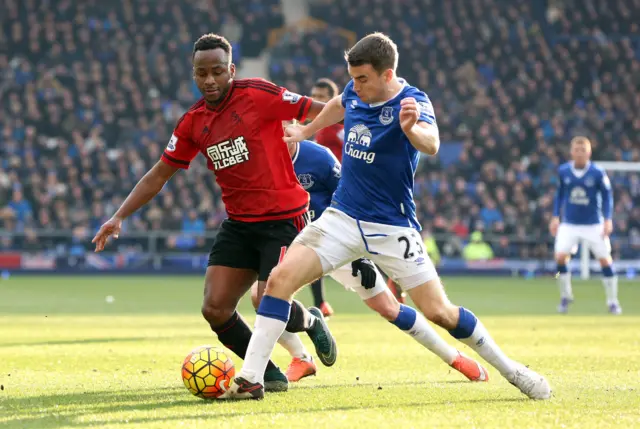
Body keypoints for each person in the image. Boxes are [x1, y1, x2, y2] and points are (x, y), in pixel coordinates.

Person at [226, 33, 551, 400]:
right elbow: (338, 103)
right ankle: (250, 378)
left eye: (363, 78)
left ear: (387, 74)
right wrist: (306, 130)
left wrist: (411, 129)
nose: (356, 85)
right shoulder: (354, 92)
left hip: (391, 227)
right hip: (342, 218)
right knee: (278, 281)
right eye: (353, 77)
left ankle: (513, 370)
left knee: (439, 312)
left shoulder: (412, 102)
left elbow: (432, 143)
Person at [91, 33, 337, 393]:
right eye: (201, 73)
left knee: (268, 298)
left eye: (217, 71)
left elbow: (318, 108)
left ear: (231, 70)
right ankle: (271, 369)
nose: (209, 80)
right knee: (215, 309)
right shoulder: (193, 122)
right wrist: (119, 216)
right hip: (240, 224)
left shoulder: (258, 94)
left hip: (284, 219)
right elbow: (160, 173)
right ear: (194, 75)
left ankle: (266, 364)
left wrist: (350, 117)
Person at [253, 131, 489, 384]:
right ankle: (302, 354)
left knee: (388, 308)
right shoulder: (263, 162)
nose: (280, 135)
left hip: (336, 241)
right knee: (262, 297)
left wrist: (361, 256)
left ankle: (454, 358)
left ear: (296, 126)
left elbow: (354, 202)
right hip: (297, 245)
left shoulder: (319, 157)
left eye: (285, 127)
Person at [549, 136, 620, 314]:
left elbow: (607, 196)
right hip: (570, 223)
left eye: (583, 150)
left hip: (593, 224)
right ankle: (566, 296)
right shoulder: (564, 171)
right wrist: (555, 216)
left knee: (605, 260)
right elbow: (559, 194)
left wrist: (608, 219)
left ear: (589, 152)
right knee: (559, 257)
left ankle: (612, 301)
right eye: (577, 150)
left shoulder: (597, 172)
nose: (580, 153)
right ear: (571, 152)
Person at [305, 78, 345, 317]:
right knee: (311, 244)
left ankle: (393, 283)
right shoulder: (317, 126)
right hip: (322, 194)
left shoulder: (340, 126)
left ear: (333, 98)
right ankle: (320, 303)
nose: (316, 100)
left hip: (344, 190)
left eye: (321, 96)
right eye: (313, 95)